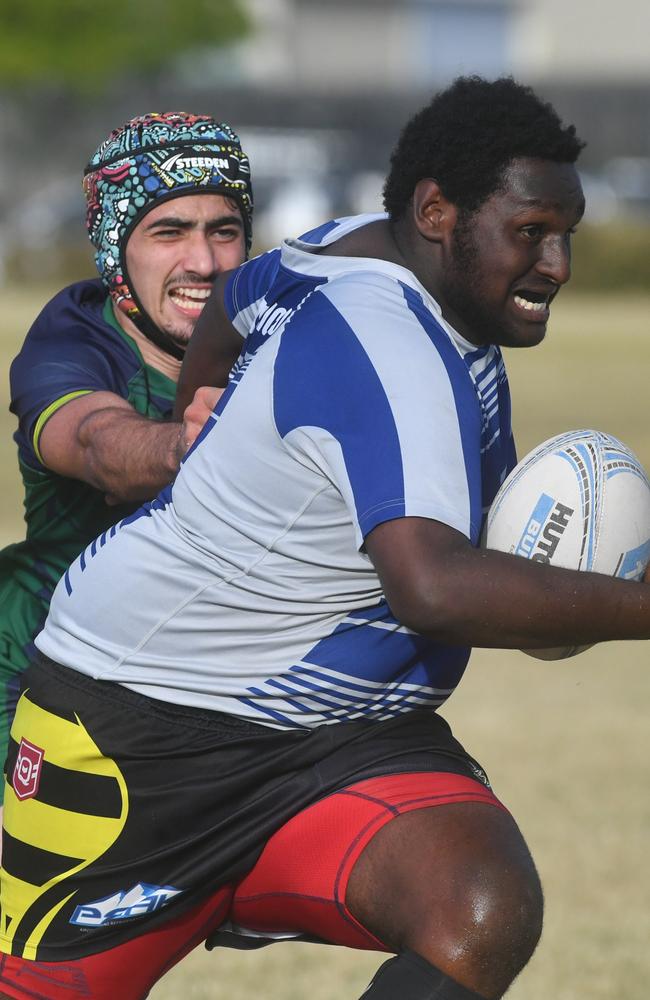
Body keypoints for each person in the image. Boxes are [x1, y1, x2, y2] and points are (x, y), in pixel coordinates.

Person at [1, 77, 649, 1000]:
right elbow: (434, 588)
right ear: (438, 214)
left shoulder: (350, 247)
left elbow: (240, 301)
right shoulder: (385, 343)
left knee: (478, 903)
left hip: (335, 735)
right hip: (135, 726)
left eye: (566, 232)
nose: (558, 264)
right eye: (532, 232)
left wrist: (202, 407)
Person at [0, 111, 253, 803]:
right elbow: (96, 442)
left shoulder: (280, 334)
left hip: (209, 683)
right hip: (35, 671)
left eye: (222, 230)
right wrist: (189, 445)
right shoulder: (74, 338)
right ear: (117, 250)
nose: (203, 262)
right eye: (169, 232)